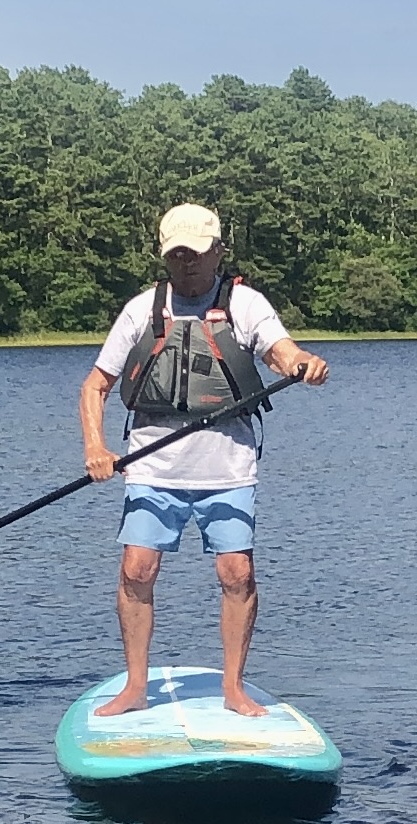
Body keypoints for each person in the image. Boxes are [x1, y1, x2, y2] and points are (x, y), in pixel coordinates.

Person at [79, 202, 328, 718]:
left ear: (218, 250)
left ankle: (234, 688)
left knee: (236, 573)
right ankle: (135, 686)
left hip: (228, 467)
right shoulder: (142, 309)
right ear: (165, 255)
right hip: (153, 464)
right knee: (137, 569)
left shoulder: (244, 304)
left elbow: (281, 352)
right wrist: (96, 449)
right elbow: (96, 385)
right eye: (178, 255)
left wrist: (302, 363)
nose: (187, 264)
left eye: (196, 253)